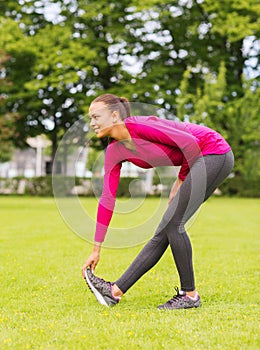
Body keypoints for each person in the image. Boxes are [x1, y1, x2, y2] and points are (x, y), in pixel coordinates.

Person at [82, 93, 234, 309]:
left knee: (174, 225)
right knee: (163, 232)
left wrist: (180, 181)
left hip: (213, 152)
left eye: (96, 117)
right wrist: (96, 248)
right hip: (200, 161)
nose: (92, 123)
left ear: (115, 116)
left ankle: (189, 295)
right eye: (90, 118)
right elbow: (107, 198)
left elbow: (190, 143)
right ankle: (114, 292)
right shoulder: (114, 151)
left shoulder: (142, 126)